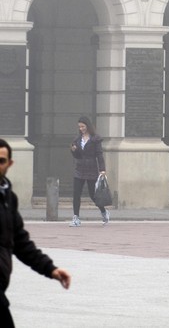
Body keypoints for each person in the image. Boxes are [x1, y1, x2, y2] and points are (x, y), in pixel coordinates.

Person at [0, 138, 72, 326]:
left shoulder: (8, 198)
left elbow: (21, 243)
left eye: (1, 161)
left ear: (10, 164)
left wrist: (50, 269)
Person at [69, 116, 108, 226]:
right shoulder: (77, 139)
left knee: (93, 194)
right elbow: (77, 155)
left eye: (83, 126)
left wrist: (102, 169)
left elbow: (99, 155)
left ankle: (104, 211)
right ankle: (76, 218)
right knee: (76, 194)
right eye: (79, 127)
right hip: (79, 168)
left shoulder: (95, 139)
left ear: (88, 126)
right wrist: (74, 150)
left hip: (91, 168)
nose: (81, 129)